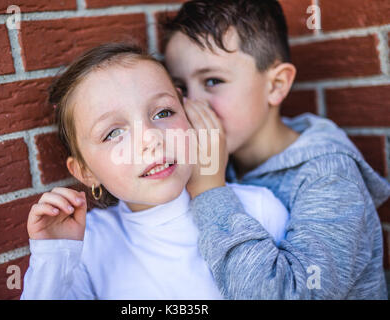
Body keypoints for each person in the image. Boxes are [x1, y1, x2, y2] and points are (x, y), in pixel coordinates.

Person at [20, 43, 289, 300]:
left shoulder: (259, 209)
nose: (150, 138)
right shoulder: (86, 246)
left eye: (163, 113)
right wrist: (54, 258)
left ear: (190, 117)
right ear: (86, 172)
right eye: (113, 132)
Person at [162, 0, 390, 299]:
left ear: (276, 85)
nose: (193, 105)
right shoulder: (217, 160)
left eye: (213, 81)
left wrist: (209, 192)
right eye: (181, 87)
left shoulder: (329, 175)